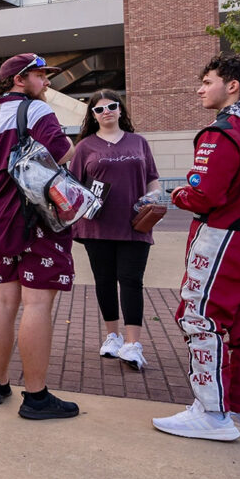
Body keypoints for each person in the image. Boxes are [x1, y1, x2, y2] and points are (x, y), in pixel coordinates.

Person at [153, 54, 240, 441]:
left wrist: (180, 194)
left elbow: (205, 195)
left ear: (232, 85)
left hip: (226, 238)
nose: (200, 88)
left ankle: (211, 412)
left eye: (207, 80)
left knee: (200, 319)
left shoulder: (224, 130)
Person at [0, 53, 79, 419]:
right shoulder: (35, 111)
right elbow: (63, 155)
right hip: (35, 220)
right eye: (41, 76)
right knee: (37, 305)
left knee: (3, 302)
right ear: (20, 80)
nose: (46, 83)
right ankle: (37, 397)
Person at [70, 91, 161, 370]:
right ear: (92, 116)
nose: (106, 111)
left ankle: (133, 344)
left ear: (120, 110)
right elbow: (74, 185)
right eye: (99, 109)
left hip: (135, 225)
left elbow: (153, 180)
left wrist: (154, 197)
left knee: (132, 281)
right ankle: (113, 336)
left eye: (112, 106)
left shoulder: (139, 142)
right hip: (97, 225)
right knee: (105, 281)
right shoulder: (85, 146)